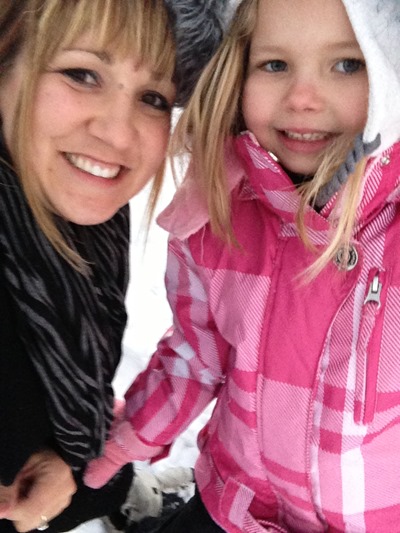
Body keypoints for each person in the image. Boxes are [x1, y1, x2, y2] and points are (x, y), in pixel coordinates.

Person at [85, 0, 400, 531]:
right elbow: (194, 357)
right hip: (237, 507)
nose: (302, 98)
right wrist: (115, 448)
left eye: (348, 64)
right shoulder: (216, 219)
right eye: (274, 64)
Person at [0, 1, 227, 532]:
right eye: (82, 74)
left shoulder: (81, 223)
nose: (120, 135)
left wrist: (81, 475)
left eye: (153, 98)